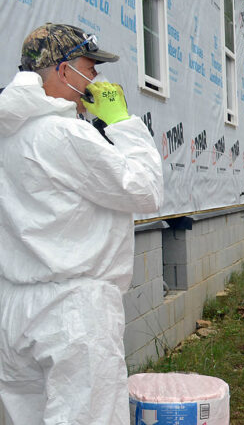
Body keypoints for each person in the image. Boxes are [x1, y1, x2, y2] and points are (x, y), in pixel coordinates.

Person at [0, 23, 163, 424]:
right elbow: (144, 190)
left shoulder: (8, 134)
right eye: (90, 68)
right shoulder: (64, 133)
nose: (96, 79)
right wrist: (122, 123)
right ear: (62, 70)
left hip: (15, 308)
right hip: (74, 312)